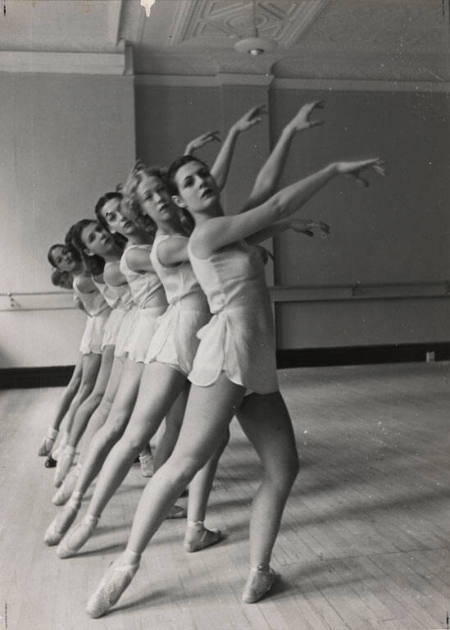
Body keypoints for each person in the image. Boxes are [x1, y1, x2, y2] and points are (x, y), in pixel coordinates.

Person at [85, 149, 384, 617]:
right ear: (181, 201)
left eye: (204, 174)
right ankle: (125, 564)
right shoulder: (202, 235)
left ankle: (259, 572)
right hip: (225, 355)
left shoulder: (227, 232)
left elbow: (265, 205)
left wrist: (284, 156)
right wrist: (332, 168)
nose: (202, 182)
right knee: (183, 463)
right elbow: (276, 206)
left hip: (258, 362)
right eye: (189, 182)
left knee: (283, 466)